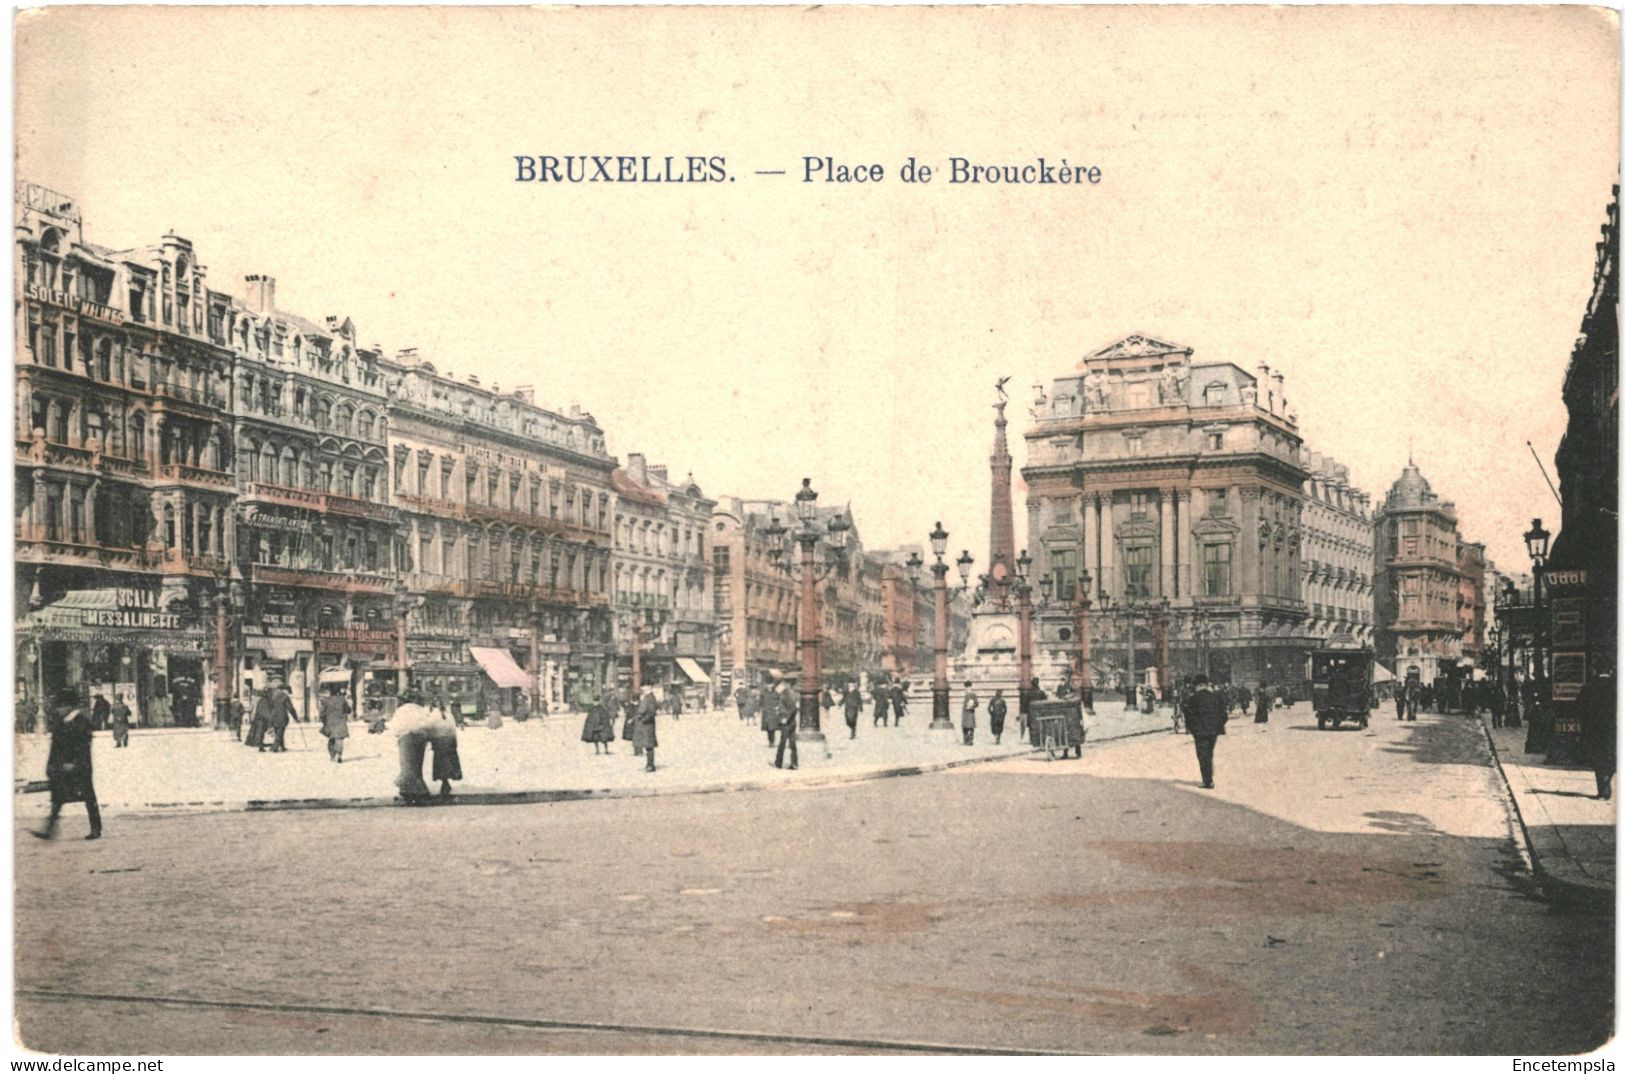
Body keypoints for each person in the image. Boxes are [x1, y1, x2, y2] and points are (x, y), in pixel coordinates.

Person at [33, 691, 101, 841]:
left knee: (88, 796)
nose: (58, 709)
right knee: (58, 798)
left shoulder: (81, 722)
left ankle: (96, 829)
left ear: (68, 706)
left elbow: (83, 747)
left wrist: (74, 763)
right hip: (62, 766)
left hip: (79, 766)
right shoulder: (63, 722)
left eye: (60, 706)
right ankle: (49, 830)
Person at [1180, 675, 1229, 790]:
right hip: (1214, 732)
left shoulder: (1193, 699)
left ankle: (1207, 781)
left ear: (1199, 685)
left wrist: (1193, 729)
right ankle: (1208, 778)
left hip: (1200, 732)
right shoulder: (1216, 697)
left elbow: (1188, 716)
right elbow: (1224, 716)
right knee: (1209, 754)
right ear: (1206, 685)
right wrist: (1217, 726)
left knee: (1203, 755)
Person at [1579, 658, 1616, 801]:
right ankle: (1607, 781)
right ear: (1610, 670)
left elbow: (1580, 709)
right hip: (1614, 728)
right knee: (1612, 756)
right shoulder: (1617, 687)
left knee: (1599, 758)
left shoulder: (1588, 687)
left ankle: (1603, 789)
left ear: (1595, 670)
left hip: (1594, 730)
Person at [258, 682, 295, 752]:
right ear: (285, 690)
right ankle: (274, 748)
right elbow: (290, 708)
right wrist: (295, 717)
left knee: (278, 732)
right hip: (282, 717)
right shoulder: (285, 697)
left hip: (273, 717)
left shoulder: (274, 696)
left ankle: (282, 747)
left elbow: (270, 706)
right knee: (280, 733)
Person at [318, 684, 349, 763]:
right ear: (339, 691)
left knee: (331, 739)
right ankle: (339, 754)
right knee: (339, 739)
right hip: (341, 721)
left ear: (330, 692)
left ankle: (332, 756)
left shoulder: (326, 700)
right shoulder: (342, 700)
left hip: (330, 722)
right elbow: (348, 710)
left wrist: (323, 721)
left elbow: (322, 713)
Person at [581, 690, 615, 754]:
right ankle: (597, 750)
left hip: (602, 727)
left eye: (596, 701)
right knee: (595, 739)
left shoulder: (602, 709)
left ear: (599, 701)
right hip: (594, 727)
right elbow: (589, 719)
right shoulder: (591, 709)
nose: (595, 703)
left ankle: (606, 750)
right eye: (594, 701)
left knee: (604, 739)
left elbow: (606, 717)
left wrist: (604, 724)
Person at [634, 685, 659, 772]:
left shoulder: (650, 698)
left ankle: (651, 765)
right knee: (647, 745)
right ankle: (649, 764)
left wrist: (643, 720)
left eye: (643, 687)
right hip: (646, 725)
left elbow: (651, 712)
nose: (642, 689)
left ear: (648, 688)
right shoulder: (648, 697)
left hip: (647, 725)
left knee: (649, 745)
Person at [774, 687, 799, 770]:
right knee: (792, 744)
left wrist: (786, 718)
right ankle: (794, 763)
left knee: (782, 743)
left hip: (787, 724)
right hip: (791, 723)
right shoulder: (785, 697)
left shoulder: (785, 698)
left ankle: (778, 762)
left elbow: (793, 708)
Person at [1026, 677, 1049, 747]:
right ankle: (1040, 739)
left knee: (1032, 726)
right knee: (1040, 725)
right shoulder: (1041, 692)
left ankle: (1032, 740)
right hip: (1040, 712)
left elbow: (1026, 703)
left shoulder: (1028, 692)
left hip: (1031, 712)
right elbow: (1045, 700)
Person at [961, 681, 979, 745]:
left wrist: (971, 707)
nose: (967, 689)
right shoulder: (966, 695)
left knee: (970, 727)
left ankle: (970, 741)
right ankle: (966, 740)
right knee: (965, 727)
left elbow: (976, 703)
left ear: (970, 687)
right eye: (966, 688)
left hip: (970, 713)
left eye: (968, 687)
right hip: (965, 713)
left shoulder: (973, 694)